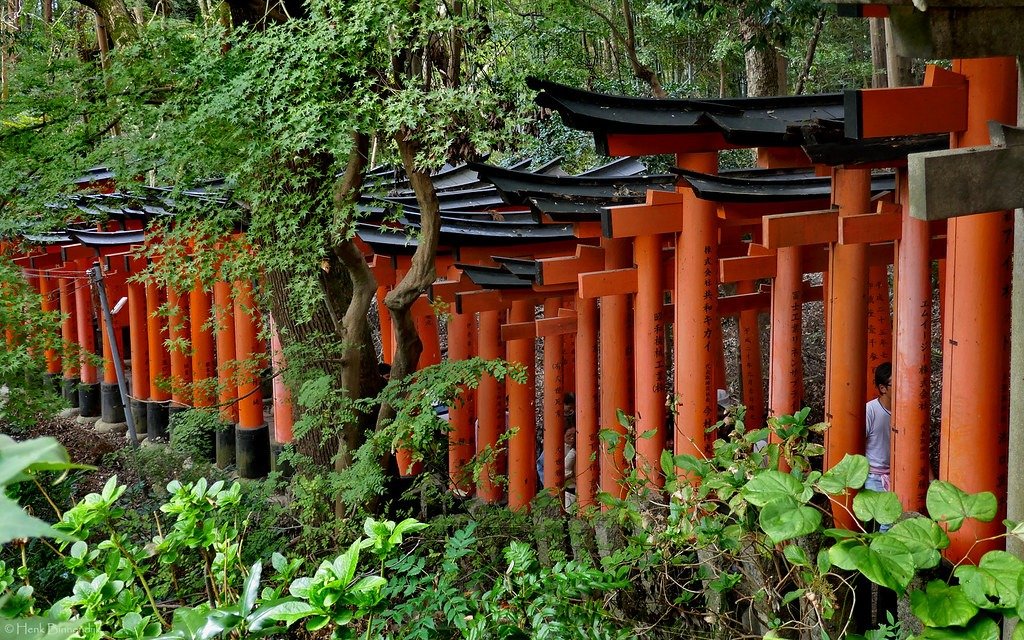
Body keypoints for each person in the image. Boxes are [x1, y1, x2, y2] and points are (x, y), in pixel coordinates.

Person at [865, 362, 892, 494]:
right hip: (873, 477)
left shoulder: (906, 413)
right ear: (883, 388)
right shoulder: (870, 411)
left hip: (899, 476)